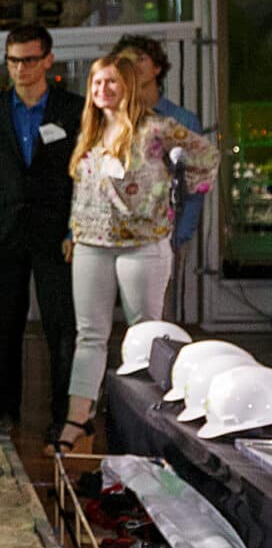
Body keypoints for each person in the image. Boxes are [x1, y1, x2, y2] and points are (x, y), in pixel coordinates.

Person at [55, 52, 217, 453]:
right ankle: (78, 419)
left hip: (143, 245)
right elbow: (83, 189)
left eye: (110, 82)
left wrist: (175, 199)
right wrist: (74, 232)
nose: (101, 90)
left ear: (127, 85)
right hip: (92, 244)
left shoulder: (156, 128)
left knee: (145, 332)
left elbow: (206, 156)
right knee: (89, 335)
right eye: (96, 83)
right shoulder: (89, 132)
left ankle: (147, 423)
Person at [0, 24, 83, 433]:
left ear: (48, 61)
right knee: (5, 327)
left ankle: (62, 416)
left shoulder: (73, 109)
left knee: (61, 328)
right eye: (13, 60)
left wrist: (76, 228)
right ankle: (4, 411)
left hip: (57, 233)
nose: (20, 68)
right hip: (5, 231)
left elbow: (82, 175)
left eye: (29, 60)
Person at [113, 32, 205, 295]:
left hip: (167, 232)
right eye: (126, 61)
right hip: (120, 235)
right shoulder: (113, 121)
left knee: (162, 313)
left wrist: (181, 236)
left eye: (140, 59)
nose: (133, 65)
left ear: (157, 68)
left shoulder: (183, 120)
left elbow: (196, 185)